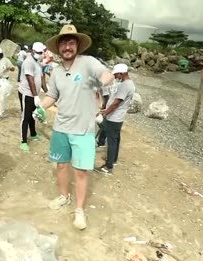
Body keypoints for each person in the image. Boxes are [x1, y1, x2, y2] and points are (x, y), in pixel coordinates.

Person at [38, 25, 114, 230]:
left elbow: (108, 75)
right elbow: (52, 95)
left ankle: (79, 210)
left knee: (81, 171)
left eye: (71, 42)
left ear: (77, 45)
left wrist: (99, 83)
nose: (67, 47)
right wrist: (40, 108)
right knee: (61, 165)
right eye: (63, 43)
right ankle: (64, 196)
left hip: (83, 129)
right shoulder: (55, 71)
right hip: (61, 126)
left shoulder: (88, 63)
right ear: (58, 47)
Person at [95, 63, 135, 175]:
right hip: (118, 117)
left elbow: (116, 103)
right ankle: (113, 160)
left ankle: (108, 167)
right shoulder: (128, 84)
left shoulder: (125, 85)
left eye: (117, 74)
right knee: (116, 139)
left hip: (114, 117)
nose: (116, 76)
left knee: (112, 141)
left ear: (122, 74)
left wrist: (105, 113)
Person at [18, 42, 48, 152]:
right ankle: (23, 141)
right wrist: (35, 96)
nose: (40, 54)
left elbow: (41, 78)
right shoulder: (28, 62)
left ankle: (33, 133)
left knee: (33, 115)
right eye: (39, 52)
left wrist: (47, 92)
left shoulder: (38, 63)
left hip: (34, 93)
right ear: (33, 51)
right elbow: (30, 80)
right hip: (26, 93)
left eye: (42, 52)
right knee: (25, 116)